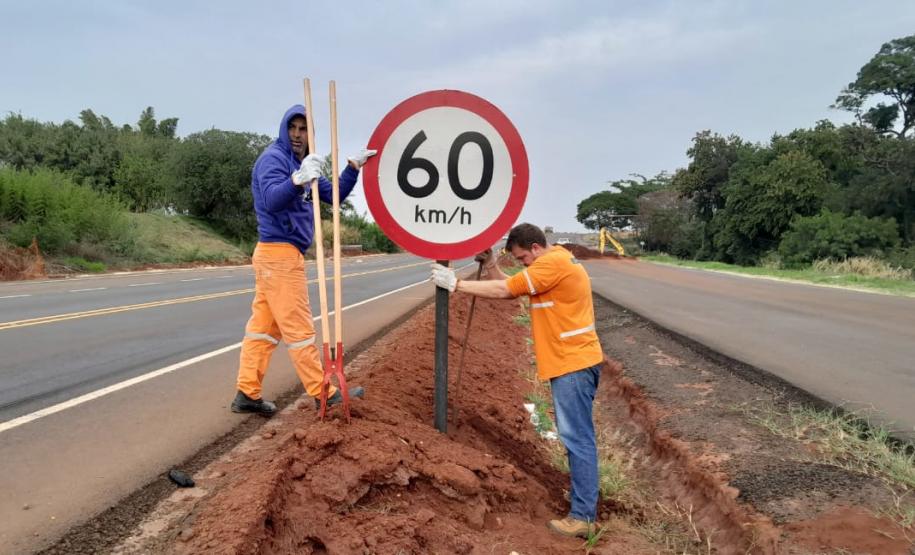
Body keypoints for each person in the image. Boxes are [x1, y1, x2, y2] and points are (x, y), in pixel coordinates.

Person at [431, 223, 603, 538]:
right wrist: (492, 265)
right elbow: (514, 289)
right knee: (577, 437)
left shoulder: (551, 263)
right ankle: (584, 504)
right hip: (572, 361)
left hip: (572, 364)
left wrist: (456, 284)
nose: (524, 264)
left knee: (577, 439)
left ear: (536, 248)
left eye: (524, 258)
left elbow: (505, 290)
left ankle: (583, 516)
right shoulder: (554, 263)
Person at [231, 104, 376, 415]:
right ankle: (323, 392)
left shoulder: (303, 163)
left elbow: (334, 195)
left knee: (263, 330)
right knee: (300, 331)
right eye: (293, 128)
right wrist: (296, 180)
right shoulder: (275, 159)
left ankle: (246, 392)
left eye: (304, 129)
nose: (298, 135)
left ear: (311, 134)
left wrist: (353, 167)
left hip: (278, 255)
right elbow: (270, 199)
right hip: (278, 254)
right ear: (285, 130)